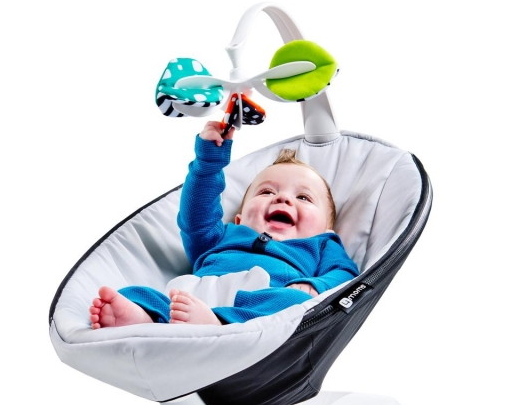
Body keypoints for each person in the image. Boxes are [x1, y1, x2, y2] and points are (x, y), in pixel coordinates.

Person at [89, 120, 358, 329]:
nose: (283, 199)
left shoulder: (322, 244)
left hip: (258, 302)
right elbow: (196, 214)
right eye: (266, 192)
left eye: (303, 197)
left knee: (295, 303)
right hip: (194, 296)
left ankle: (216, 322)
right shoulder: (224, 235)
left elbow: (344, 273)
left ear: (326, 229)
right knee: (136, 293)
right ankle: (144, 318)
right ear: (239, 218)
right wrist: (208, 162)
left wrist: (313, 285)